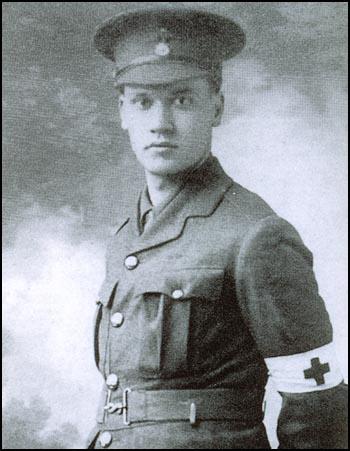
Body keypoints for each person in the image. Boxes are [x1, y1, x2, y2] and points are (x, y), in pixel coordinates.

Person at [88, 7, 347, 449]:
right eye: (143, 101)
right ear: (122, 113)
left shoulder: (256, 235)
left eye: (182, 99)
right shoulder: (126, 237)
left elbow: (319, 411)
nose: (161, 123)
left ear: (217, 107)